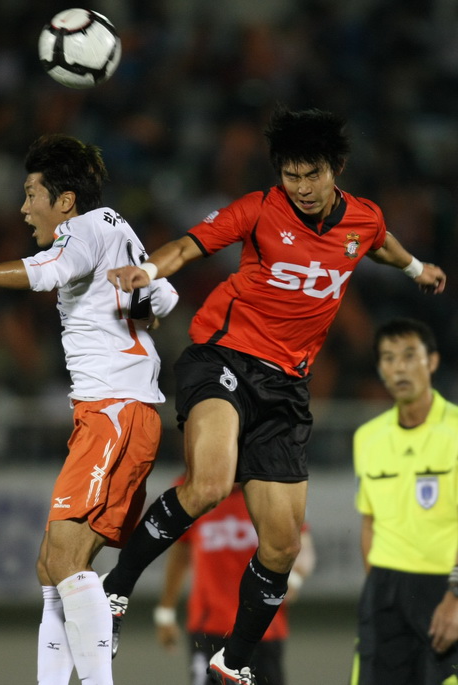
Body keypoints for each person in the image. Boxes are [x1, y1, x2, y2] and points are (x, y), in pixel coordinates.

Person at [102, 106, 447, 685]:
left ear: (336, 170)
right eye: (291, 175)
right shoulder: (259, 209)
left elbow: (380, 244)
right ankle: (115, 589)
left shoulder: (362, 219)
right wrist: (148, 272)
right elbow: (186, 247)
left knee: (282, 547)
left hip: (287, 387)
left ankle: (233, 661)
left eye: (312, 174)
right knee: (211, 485)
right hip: (223, 358)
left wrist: (415, 269)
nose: (302, 187)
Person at [0, 134, 179, 685]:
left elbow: (44, 271)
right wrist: (137, 305)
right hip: (115, 411)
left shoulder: (82, 229)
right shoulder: (117, 227)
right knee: (51, 565)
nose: (24, 209)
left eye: (31, 195)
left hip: (114, 411)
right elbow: (162, 299)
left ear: (64, 200)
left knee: (66, 562)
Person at [350, 318, 458, 685]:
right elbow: (369, 523)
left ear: (433, 361)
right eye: (389, 358)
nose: (399, 367)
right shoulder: (367, 437)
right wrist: (376, 592)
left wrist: (456, 597)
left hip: (446, 590)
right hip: (385, 591)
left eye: (410, 355)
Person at [154, 478, 316, 685]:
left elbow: (302, 547)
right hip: (209, 626)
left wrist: (294, 578)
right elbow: (180, 553)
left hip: (263, 628)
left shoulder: (273, 486)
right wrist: (165, 612)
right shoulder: (193, 483)